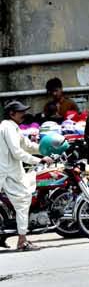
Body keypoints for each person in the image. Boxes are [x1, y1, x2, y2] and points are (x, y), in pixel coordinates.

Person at [0, 100, 41, 251]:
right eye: (20, 111)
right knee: (23, 200)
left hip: (10, 172)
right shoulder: (7, 127)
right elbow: (17, 152)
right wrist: (39, 160)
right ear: (12, 113)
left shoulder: (13, 127)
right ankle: (22, 240)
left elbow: (27, 145)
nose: (24, 114)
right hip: (6, 173)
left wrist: (46, 149)